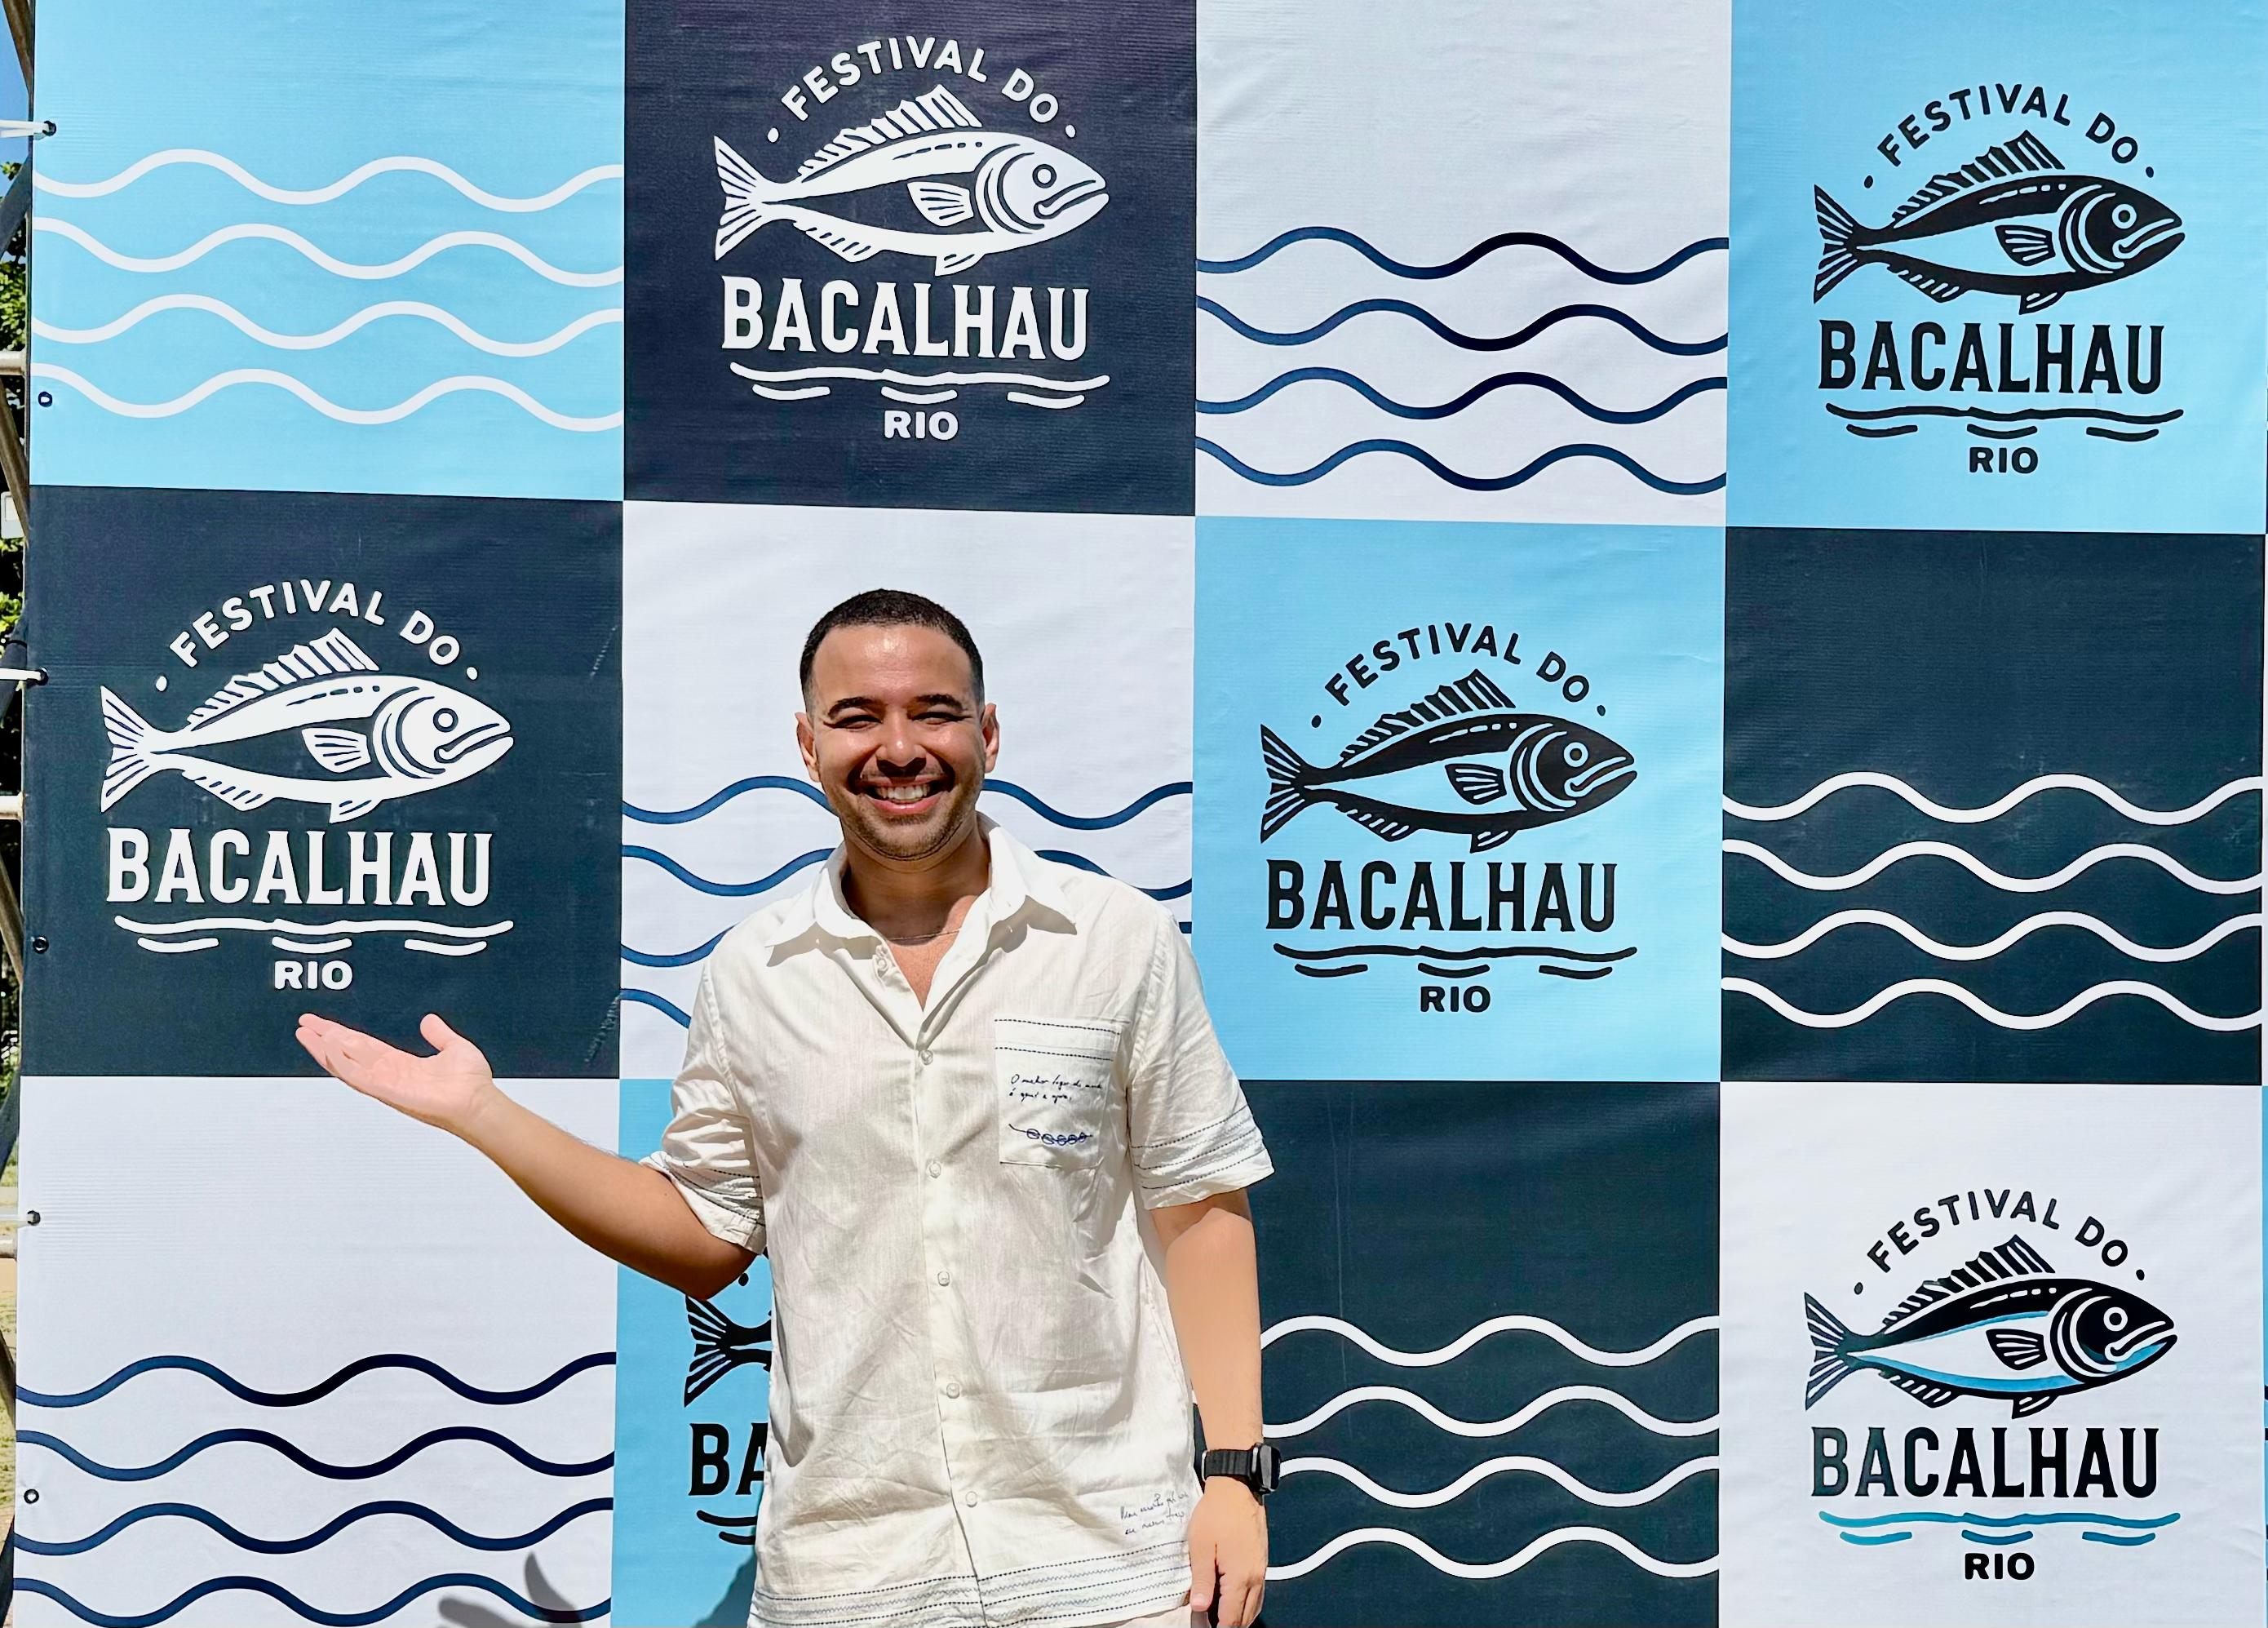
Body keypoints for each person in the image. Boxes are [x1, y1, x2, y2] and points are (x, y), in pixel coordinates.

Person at [297, 588, 1277, 1628]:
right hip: (848, 1580)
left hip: (1111, 1570)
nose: (898, 748)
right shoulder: (750, 975)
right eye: (857, 718)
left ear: (987, 734)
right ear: (808, 747)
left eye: (933, 712)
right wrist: (484, 1116)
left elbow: (1199, 1207)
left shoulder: (1116, 940)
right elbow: (702, 1237)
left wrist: (1232, 1474)